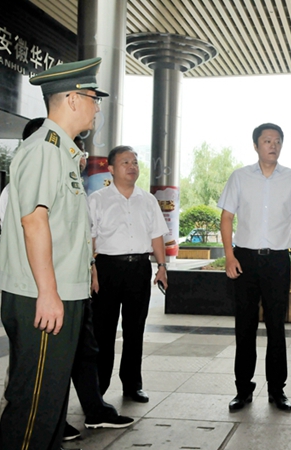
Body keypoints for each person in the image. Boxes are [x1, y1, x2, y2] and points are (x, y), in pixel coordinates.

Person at [0, 57, 108, 450]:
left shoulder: (63, 153)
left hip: (59, 293)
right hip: (42, 295)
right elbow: (34, 222)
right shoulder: (45, 149)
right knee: (34, 408)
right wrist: (47, 292)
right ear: (73, 99)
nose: (97, 108)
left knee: (51, 407)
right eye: (93, 98)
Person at [218, 123, 291, 412]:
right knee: (244, 327)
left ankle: (277, 390)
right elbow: (226, 218)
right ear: (256, 145)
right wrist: (229, 256)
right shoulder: (240, 177)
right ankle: (243, 389)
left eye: (278, 141)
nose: (273, 145)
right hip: (244, 260)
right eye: (267, 140)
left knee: (276, 327)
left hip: (277, 261)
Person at [89, 146, 168, 404]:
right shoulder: (97, 199)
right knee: (103, 331)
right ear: (111, 169)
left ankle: (133, 385)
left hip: (139, 269)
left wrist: (161, 267)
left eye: (135, 162)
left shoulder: (148, 200)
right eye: (125, 162)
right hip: (107, 269)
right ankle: (98, 389)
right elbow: (90, 238)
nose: (132, 166)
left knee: (135, 329)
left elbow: (157, 235)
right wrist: (91, 268)